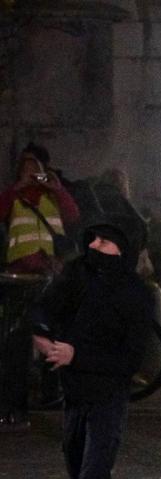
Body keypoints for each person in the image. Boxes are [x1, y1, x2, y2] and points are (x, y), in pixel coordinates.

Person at [28, 216, 161, 479]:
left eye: (105, 242)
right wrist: (45, 341)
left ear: (123, 250)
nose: (94, 247)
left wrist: (77, 354)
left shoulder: (135, 293)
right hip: (74, 395)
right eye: (93, 240)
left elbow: (130, 360)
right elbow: (44, 309)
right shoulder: (78, 274)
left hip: (107, 397)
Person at [0, 144, 82, 431]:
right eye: (26, 167)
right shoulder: (14, 196)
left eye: (36, 167)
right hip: (20, 279)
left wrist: (57, 189)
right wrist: (17, 188)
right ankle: (15, 406)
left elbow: (73, 217)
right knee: (18, 344)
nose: (32, 172)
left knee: (54, 335)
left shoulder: (53, 196)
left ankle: (53, 394)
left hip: (50, 278)